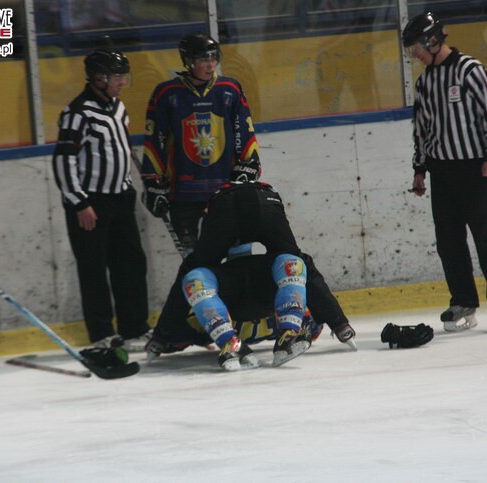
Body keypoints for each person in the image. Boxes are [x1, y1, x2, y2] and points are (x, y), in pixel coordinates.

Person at [146, 180, 357, 370]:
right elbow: (306, 272)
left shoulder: (199, 322)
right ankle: (289, 333)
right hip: (263, 203)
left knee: (194, 276)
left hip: (228, 209)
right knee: (294, 263)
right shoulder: (307, 320)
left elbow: (182, 331)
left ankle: (231, 343)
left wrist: (162, 336)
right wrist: (338, 321)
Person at [403, 12, 487, 332]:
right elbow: (422, 130)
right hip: (441, 171)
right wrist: (419, 168)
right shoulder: (425, 82)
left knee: (486, 238)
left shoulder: (470, 70)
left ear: (432, 40)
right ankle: (463, 300)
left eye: (416, 47)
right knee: (449, 241)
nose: (414, 55)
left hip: (473, 168)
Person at [52, 49, 150, 354]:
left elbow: (121, 150)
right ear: (98, 78)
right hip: (91, 203)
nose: (122, 82)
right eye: (116, 76)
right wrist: (79, 203)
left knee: (131, 265)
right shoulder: (78, 112)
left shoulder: (118, 108)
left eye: (123, 76)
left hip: (120, 198)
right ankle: (102, 332)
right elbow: (63, 160)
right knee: (93, 270)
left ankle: (134, 328)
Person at [141, 32, 261, 254]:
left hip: (227, 191)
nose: (211, 64)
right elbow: (155, 141)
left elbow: (244, 132)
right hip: (183, 194)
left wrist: (249, 164)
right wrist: (153, 182)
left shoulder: (231, 89)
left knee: (240, 259)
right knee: (194, 263)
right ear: (189, 61)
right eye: (204, 59)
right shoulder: (166, 93)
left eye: (213, 58)